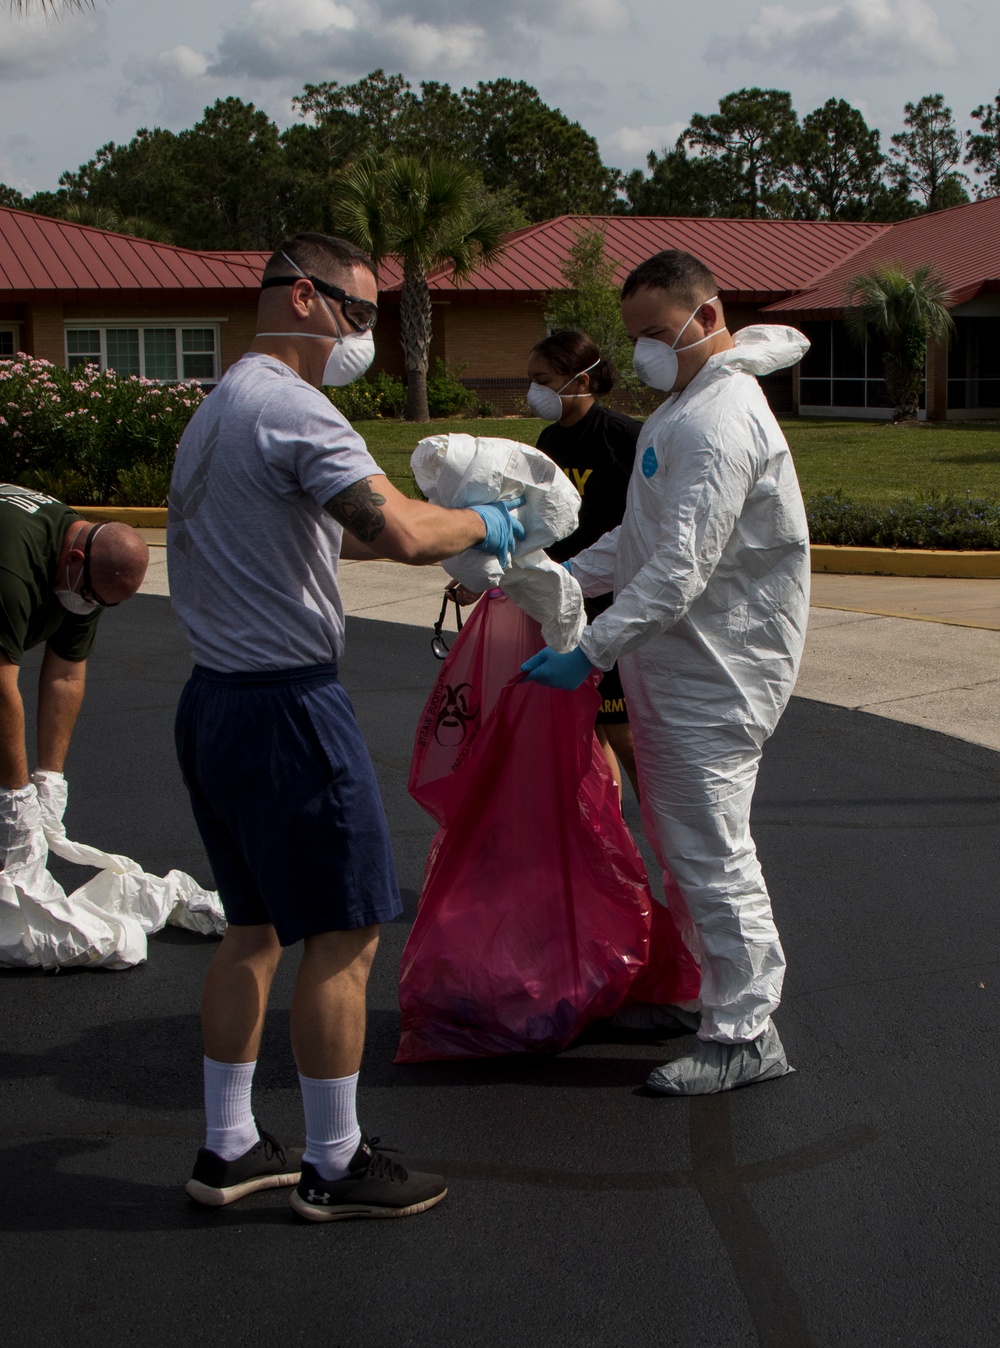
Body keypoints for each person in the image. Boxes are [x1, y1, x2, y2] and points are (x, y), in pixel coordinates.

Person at [168, 232, 523, 1221]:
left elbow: (298, 540)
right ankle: (334, 1161)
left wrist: (413, 529)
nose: (366, 335)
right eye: (360, 313)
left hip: (215, 703)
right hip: (287, 708)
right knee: (346, 932)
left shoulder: (221, 407)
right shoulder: (294, 408)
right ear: (303, 297)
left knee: (253, 928)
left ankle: (229, 1145)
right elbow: (402, 533)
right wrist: (490, 524)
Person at [522, 250, 811, 1096]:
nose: (643, 353)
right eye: (636, 335)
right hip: (677, 667)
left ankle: (746, 1032)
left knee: (713, 851)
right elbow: (639, 545)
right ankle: (700, 990)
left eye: (656, 333)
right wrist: (553, 578)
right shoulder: (684, 408)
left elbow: (681, 571)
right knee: (683, 844)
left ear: (708, 315)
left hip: (715, 675)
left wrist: (590, 649)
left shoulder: (722, 421)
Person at [0, 484, 149, 863]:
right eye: (88, 596)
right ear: (75, 557)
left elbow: (66, 674)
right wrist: (16, 797)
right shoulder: (12, 569)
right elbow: (0, 688)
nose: (87, 606)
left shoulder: (91, 572)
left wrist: (49, 779)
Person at [527, 330, 642, 801]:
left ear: (582, 380)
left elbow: (647, 523)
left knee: (625, 735)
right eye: (530, 379)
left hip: (613, 603)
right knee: (589, 731)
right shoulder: (549, 439)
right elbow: (537, 517)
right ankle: (609, 840)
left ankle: (669, 835)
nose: (534, 391)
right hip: (564, 601)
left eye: (543, 379)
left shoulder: (625, 437)